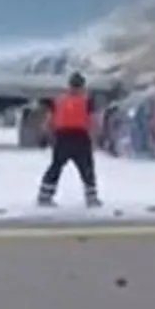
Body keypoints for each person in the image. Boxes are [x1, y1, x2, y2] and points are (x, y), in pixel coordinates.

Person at [36, 72, 101, 208]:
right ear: (83, 86)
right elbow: (93, 121)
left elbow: (49, 119)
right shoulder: (87, 101)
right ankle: (91, 198)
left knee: (56, 166)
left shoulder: (59, 101)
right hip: (80, 137)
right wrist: (95, 139)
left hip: (62, 137)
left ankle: (44, 195)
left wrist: (45, 135)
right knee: (86, 168)